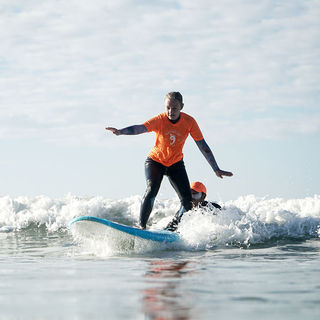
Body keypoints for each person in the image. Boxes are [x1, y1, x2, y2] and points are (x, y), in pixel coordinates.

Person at [106, 92, 233, 229]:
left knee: (187, 203)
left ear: (181, 107)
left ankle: (171, 231)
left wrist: (216, 168)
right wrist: (120, 132)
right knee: (151, 190)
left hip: (175, 164)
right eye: (167, 108)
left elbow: (202, 145)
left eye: (174, 108)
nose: (170, 111)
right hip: (155, 161)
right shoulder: (160, 120)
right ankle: (141, 227)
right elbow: (140, 128)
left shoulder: (189, 122)